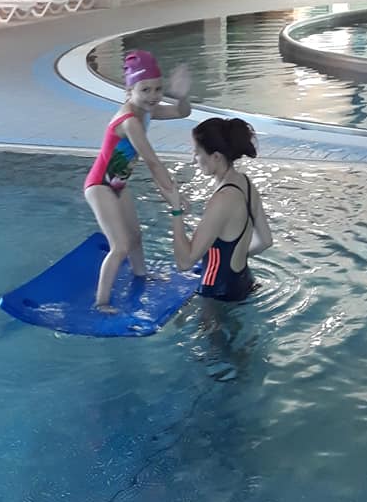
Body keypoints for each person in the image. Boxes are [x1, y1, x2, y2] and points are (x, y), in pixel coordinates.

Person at [85, 49, 191, 311]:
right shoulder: (130, 121)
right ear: (129, 90)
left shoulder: (146, 110)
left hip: (118, 185)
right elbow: (153, 162)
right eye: (145, 90)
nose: (153, 96)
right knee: (120, 246)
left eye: (158, 89)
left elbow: (182, 112)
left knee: (135, 236)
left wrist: (181, 95)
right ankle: (101, 302)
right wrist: (174, 196)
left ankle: (141, 275)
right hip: (100, 186)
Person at [168, 117, 272, 301]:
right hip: (244, 282)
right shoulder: (245, 183)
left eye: (197, 152)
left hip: (217, 293)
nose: (194, 159)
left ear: (216, 157)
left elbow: (184, 262)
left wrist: (176, 210)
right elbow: (265, 241)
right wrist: (232, 257)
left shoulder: (222, 200)